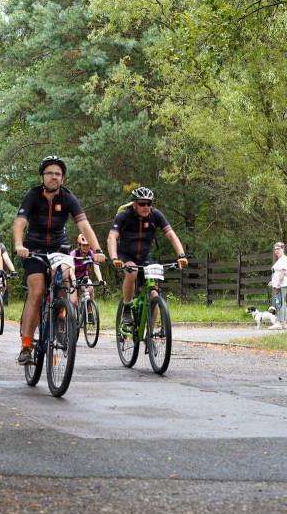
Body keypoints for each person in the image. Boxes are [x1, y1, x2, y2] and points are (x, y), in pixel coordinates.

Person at [13, 155, 105, 365]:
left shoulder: (68, 198)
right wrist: (19, 245)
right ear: (42, 176)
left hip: (59, 248)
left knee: (65, 277)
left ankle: (59, 318)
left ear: (62, 179)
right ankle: (26, 346)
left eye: (58, 174)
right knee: (36, 292)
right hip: (34, 249)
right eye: (50, 173)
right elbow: (19, 223)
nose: (54, 177)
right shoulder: (32, 195)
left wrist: (97, 249)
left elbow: (84, 225)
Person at [107, 186, 187, 330]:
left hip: (144, 257)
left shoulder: (156, 215)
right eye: (142, 203)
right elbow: (112, 237)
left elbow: (170, 234)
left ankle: (149, 333)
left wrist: (181, 255)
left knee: (154, 295)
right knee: (132, 272)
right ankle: (126, 307)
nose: (146, 207)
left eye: (148, 203)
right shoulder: (124, 215)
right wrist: (114, 258)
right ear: (134, 204)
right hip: (125, 255)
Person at [69, 234, 105, 308]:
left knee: (90, 289)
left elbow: (96, 267)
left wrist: (100, 280)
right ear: (79, 245)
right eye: (83, 245)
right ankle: (72, 318)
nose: (85, 247)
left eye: (87, 245)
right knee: (73, 302)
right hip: (72, 278)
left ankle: (89, 313)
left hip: (83, 277)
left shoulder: (91, 253)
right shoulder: (73, 253)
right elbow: (71, 269)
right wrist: (73, 280)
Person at [268, 242, 287, 330]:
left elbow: (283, 272)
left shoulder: (283, 259)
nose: (276, 251)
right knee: (282, 303)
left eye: (278, 249)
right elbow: (277, 274)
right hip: (280, 284)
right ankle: (284, 322)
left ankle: (278, 323)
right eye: (275, 249)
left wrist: (278, 284)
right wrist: (272, 281)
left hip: (282, 285)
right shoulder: (280, 260)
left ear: (283, 249)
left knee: (279, 303)